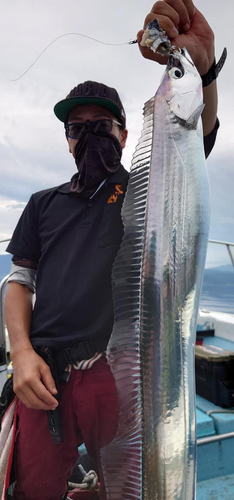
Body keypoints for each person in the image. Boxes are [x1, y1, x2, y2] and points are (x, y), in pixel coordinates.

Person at [4, 1, 222, 499]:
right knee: (34, 488)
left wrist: (202, 76)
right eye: (77, 129)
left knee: (126, 485)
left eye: (101, 126)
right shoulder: (43, 204)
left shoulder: (150, 191)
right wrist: (20, 353)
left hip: (117, 373)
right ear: (65, 140)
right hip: (45, 374)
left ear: (124, 134)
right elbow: (20, 281)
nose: (88, 136)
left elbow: (194, 140)